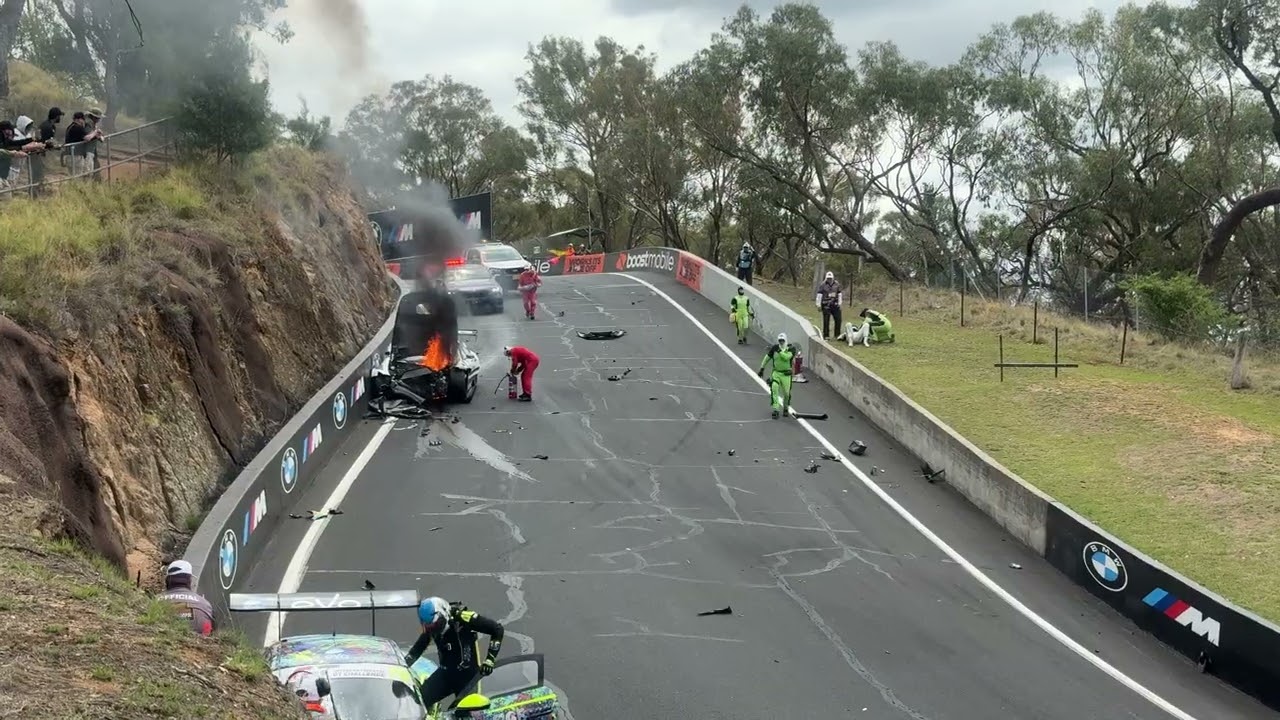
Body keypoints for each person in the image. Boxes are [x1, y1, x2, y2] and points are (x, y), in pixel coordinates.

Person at [403, 596, 505, 712]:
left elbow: (497, 629)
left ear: (443, 614)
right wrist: (404, 666)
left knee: (465, 714)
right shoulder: (431, 627)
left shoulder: (463, 618)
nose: (432, 630)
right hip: (445, 674)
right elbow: (419, 647)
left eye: (435, 625)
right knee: (416, 704)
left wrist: (490, 660)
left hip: (468, 679)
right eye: (428, 627)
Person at [156, 560, 215, 636]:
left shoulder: (154, 602)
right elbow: (208, 631)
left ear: (167, 581)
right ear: (190, 580)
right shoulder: (204, 604)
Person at [757, 332, 795, 419]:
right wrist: (762, 368)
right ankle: (776, 409)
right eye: (779, 340)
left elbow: (786, 357)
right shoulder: (775, 348)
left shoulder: (791, 349)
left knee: (786, 393)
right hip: (776, 373)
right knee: (774, 387)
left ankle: (785, 407)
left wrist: (779, 351)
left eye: (782, 340)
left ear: (785, 340)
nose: (781, 342)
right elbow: (767, 357)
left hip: (786, 374)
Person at [815, 271, 843, 339]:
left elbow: (839, 294)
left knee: (838, 319)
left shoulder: (837, 284)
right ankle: (826, 335)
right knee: (826, 320)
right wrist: (818, 304)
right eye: (828, 278)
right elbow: (819, 295)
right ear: (826, 278)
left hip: (835, 304)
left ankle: (837, 334)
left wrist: (840, 303)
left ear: (833, 278)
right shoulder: (822, 285)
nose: (829, 279)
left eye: (830, 278)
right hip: (826, 304)